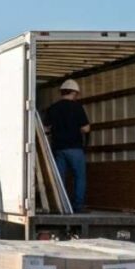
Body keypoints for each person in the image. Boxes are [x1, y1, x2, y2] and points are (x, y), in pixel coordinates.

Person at [44, 79, 91, 212]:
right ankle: (78, 206)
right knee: (79, 176)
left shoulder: (52, 108)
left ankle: (62, 206)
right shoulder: (77, 107)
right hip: (75, 147)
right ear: (74, 93)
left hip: (58, 148)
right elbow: (86, 129)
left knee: (60, 178)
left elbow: (46, 129)